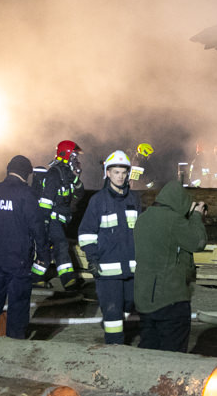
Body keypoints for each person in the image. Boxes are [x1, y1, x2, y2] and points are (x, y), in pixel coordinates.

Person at [0, 156, 49, 338]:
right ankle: (15, 346)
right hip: (19, 262)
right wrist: (43, 254)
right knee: (18, 305)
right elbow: (37, 227)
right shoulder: (26, 194)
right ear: (27, 173)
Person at [134, 180, 207, 352]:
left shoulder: (143, 218)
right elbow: (198, 242)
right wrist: (196, 216)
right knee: (173, 353)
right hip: (170, 299)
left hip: (145, 297)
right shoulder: (173, 220)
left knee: (149, 347)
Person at [77, 150, 141, 344]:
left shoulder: (134, 200)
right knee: (113, 313)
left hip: (132, 270)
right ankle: (114, 352)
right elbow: (86, 232)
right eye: (116, 172)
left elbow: (141, 232)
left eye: (123, 172)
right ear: (107, 173)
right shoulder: (98, 201)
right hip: (107, 271)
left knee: (129, 305)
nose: (120, 176)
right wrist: (92, 259)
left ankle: (116, 331)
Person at [36, 140, 85, 289]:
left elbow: (80, 193)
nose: (76, 160)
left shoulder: (68, 175)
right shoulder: (54, 173)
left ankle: (34, 278)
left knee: (47, 252)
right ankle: (68, 281)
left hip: (61, 219)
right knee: (61, 245)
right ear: (67, 155)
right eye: (74, 156)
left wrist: (75, 179)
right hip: (51, 219)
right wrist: (44, 221)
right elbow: (46, 199)